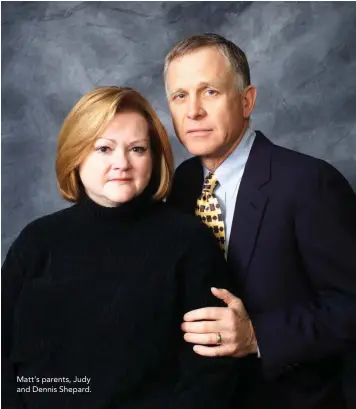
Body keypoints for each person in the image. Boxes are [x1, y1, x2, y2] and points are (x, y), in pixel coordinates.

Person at [2, 86, 239, 409]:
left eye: (137, 149)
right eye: (104, 149)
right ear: (76, 154)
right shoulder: (37, 240)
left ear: (154, 158)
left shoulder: (189, 241)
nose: (122, 163)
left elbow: (211, 374)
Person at [165, 33, 356, 409]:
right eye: (180, 96)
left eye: (210, 92)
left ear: (247, 100)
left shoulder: (309, 183)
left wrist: (257, 336)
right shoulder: (180, 185)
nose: (193, 111)